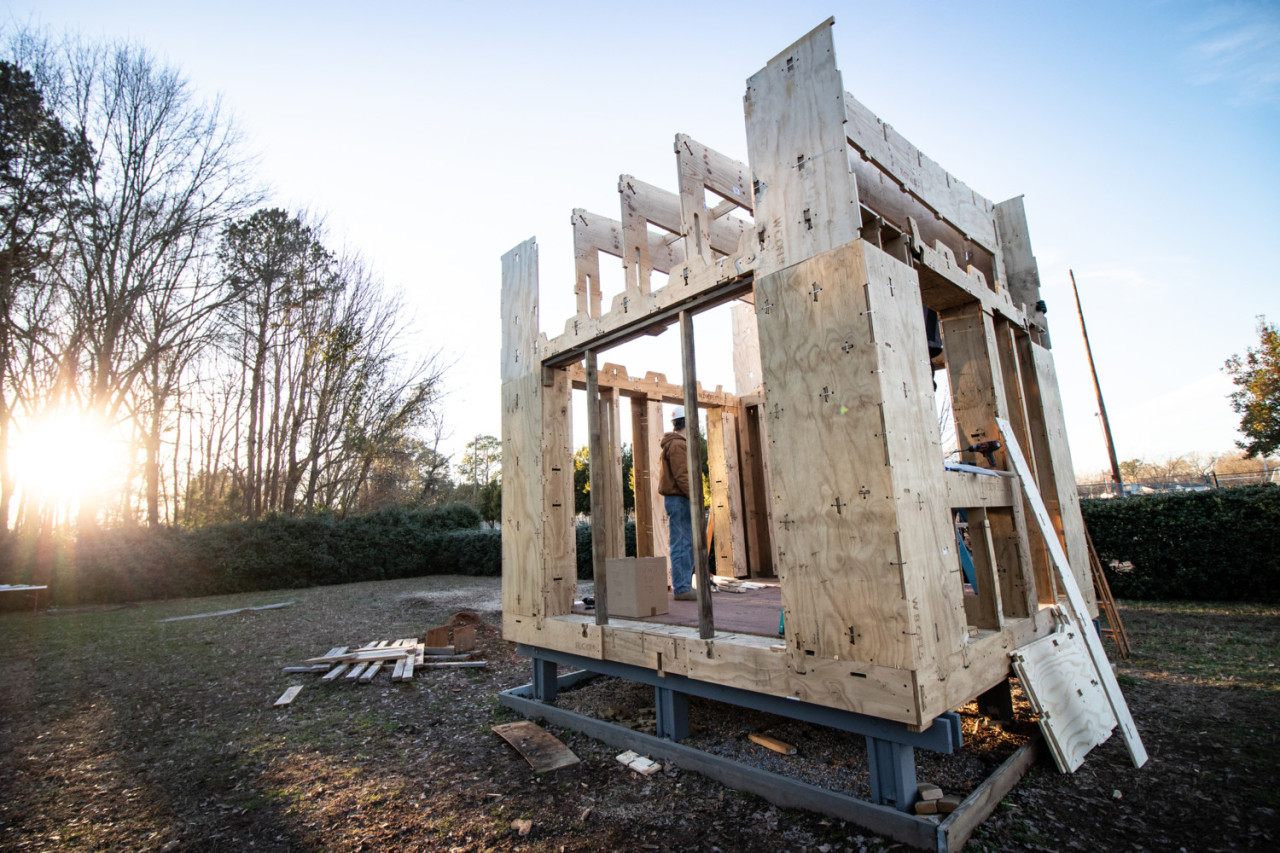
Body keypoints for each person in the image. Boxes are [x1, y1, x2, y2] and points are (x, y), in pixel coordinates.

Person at [658, 406, 696, 601]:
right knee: (682, 543)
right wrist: (695, 499)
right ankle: (682, 588)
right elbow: (683, 476)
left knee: (685, 542)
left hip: (679, 499)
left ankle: (684, 585)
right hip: (680, 499)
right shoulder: (678, 445)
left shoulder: (674, 443)